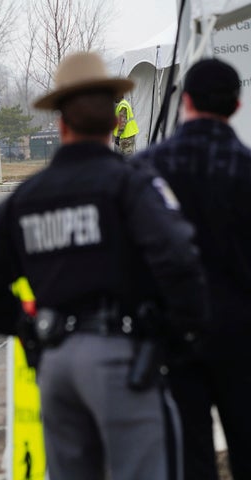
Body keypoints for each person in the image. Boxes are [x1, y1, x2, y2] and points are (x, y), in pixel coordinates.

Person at [0, 51, 209, 480]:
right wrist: (173, 337)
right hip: (122, 360)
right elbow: (180, 260)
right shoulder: (130, 183)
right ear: (115, 123)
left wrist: (28, 330)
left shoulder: (28, 197)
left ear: (60, 124)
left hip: (57, 365)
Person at [133, 58, 251, 480]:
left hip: (173, 334)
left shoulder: (146, 169)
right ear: (236, 106)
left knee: (188, 455)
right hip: (242, 333)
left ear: (185, 102)